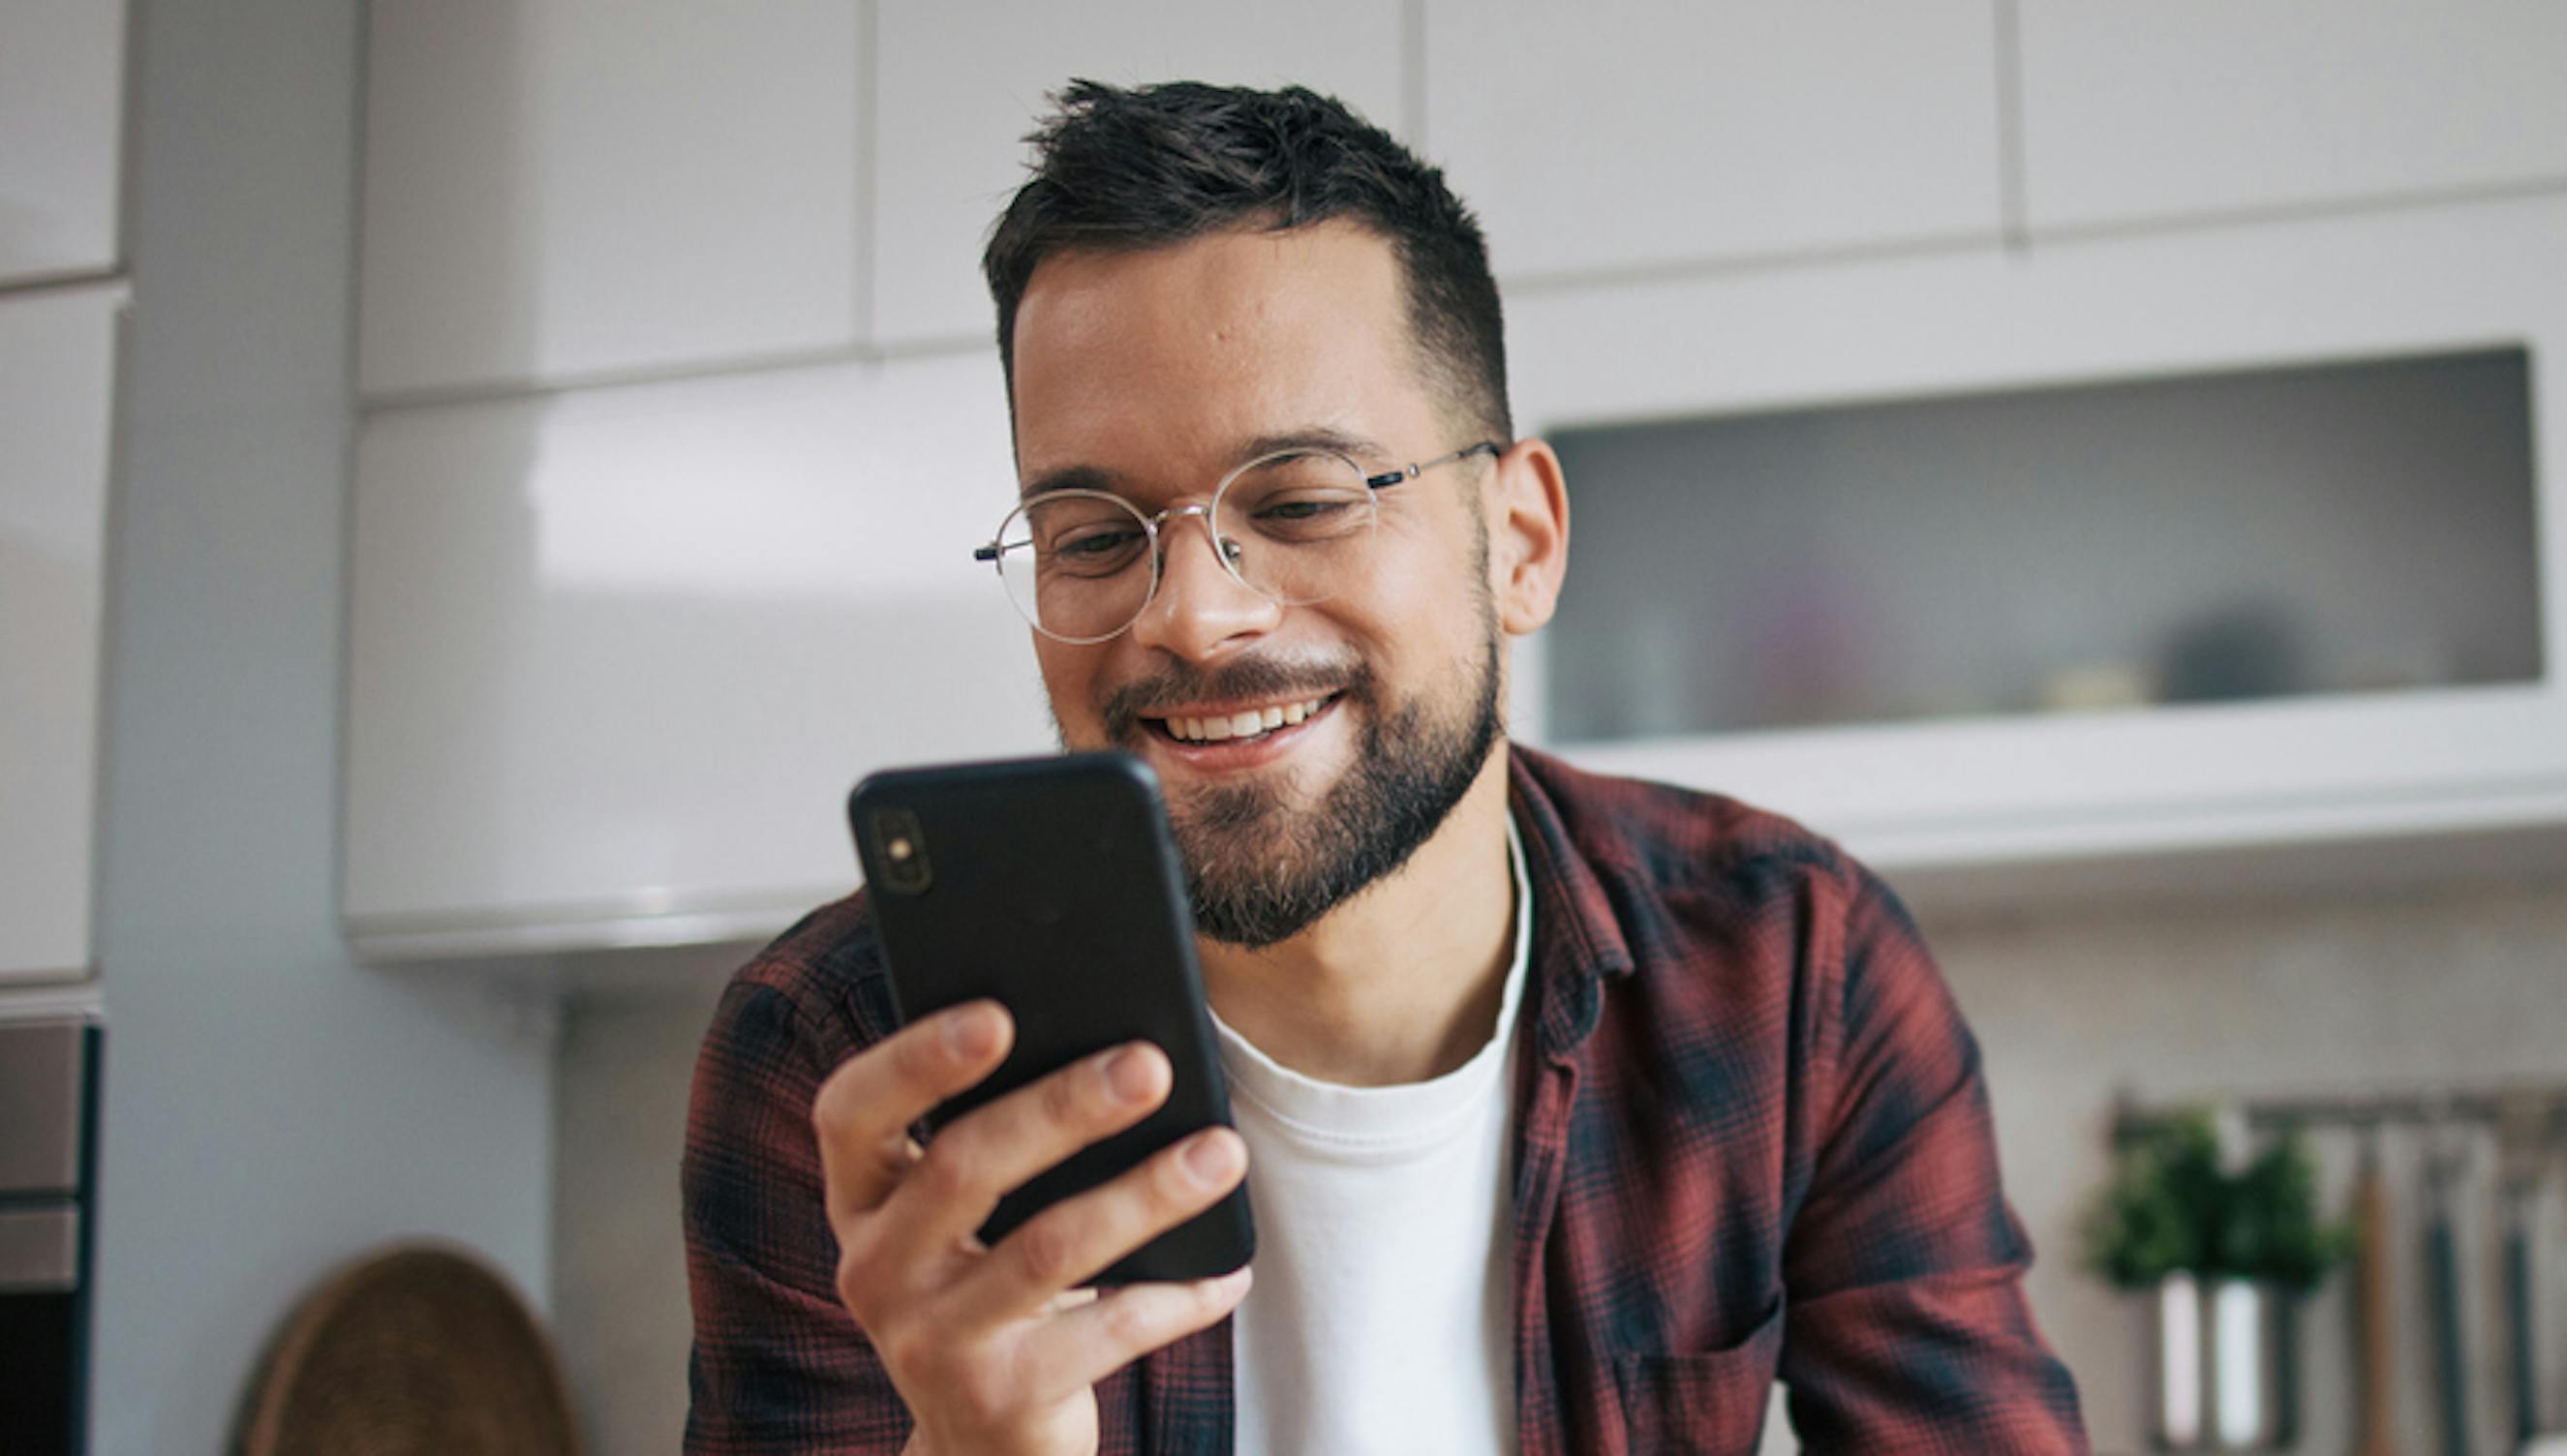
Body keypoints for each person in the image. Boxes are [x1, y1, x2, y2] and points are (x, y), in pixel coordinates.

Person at [677, 80, 2086, 1456]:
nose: (1193, 616)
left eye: (1302, 500)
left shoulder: (1791, 969)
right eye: (1094, 536)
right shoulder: (856, 1061)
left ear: (1521, 542)